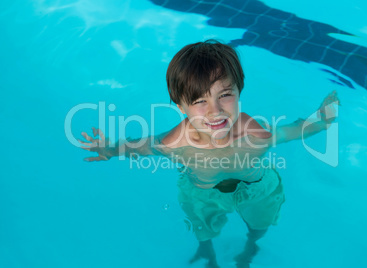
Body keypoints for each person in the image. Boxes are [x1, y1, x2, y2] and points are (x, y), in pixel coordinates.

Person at [79, 40, 339, 268]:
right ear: (181, 106)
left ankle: (249, 250)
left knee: (260, 226)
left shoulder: (253, 134)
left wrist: (322, 120)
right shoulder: (175, 143)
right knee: (203, 229)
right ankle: (208, 255)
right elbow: (143, 145)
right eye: (199, 101)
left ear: (239, 91)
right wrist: (110, 150)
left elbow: (291, 131)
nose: (215, 111)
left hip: (256, 187)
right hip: (203, 193)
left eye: (225, 95)